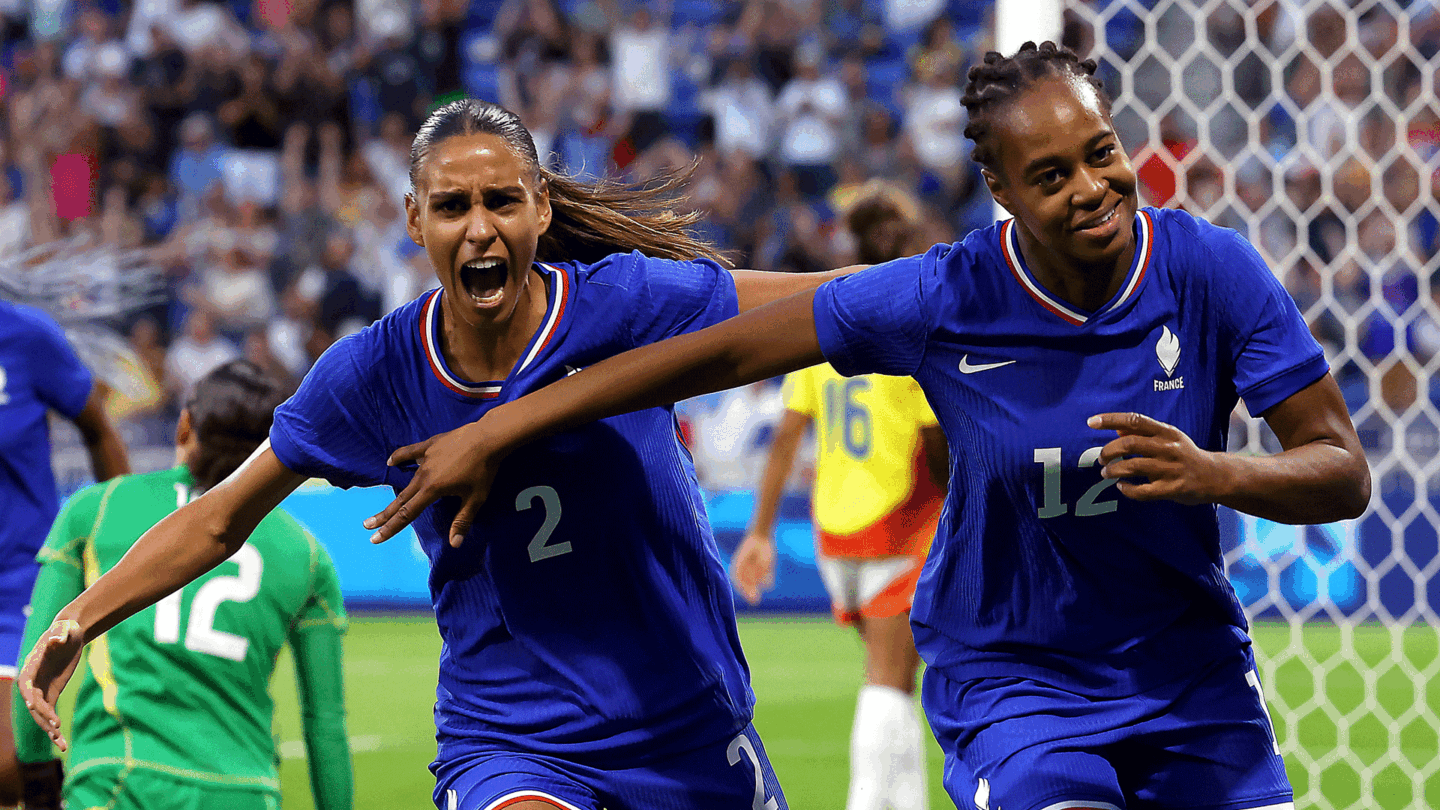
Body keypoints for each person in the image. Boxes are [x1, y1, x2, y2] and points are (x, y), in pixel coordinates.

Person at [354, 43, 1373, 810]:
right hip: (1019, 679)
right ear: (1001, 193)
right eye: (1052, 173)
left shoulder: (1210, 270)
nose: (1094, 186)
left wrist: (1219, 474)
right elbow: (720, 352)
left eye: (1102, 154)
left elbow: (1342, 471)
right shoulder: (948, 293)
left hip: (1188, 670)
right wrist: (501, 427)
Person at [20, 98, 855, 810]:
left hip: (684, 721)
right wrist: (78, 620)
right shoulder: (373, 375)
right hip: (513, 738)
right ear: (415, 219)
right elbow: (218, 519)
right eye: (453, 206)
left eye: (502, 201)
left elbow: (829, 308)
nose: (480, 228)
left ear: (540, 210)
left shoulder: (629, 304)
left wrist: (961, 281)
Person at [10, 359, 351, 810]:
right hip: (246, 793)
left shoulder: (96, 508)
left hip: (118, 784)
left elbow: (36, 667)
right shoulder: (306, 554)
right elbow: (325, 725)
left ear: (184, 426)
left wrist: (38, 783)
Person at [731, 183, 945, 810]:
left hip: (835, 531)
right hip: (901, 522)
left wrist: (760, 532)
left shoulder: (829, 319)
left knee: (895, 681)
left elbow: (787, 437)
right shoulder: (909, 325)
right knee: (889, 682)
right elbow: (935, 443)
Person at [0, 299, 131, 806]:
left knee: (6, 768)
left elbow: (97, 427)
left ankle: (40, 791)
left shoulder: (26, 335)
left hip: (16, 581)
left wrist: (125, 543)